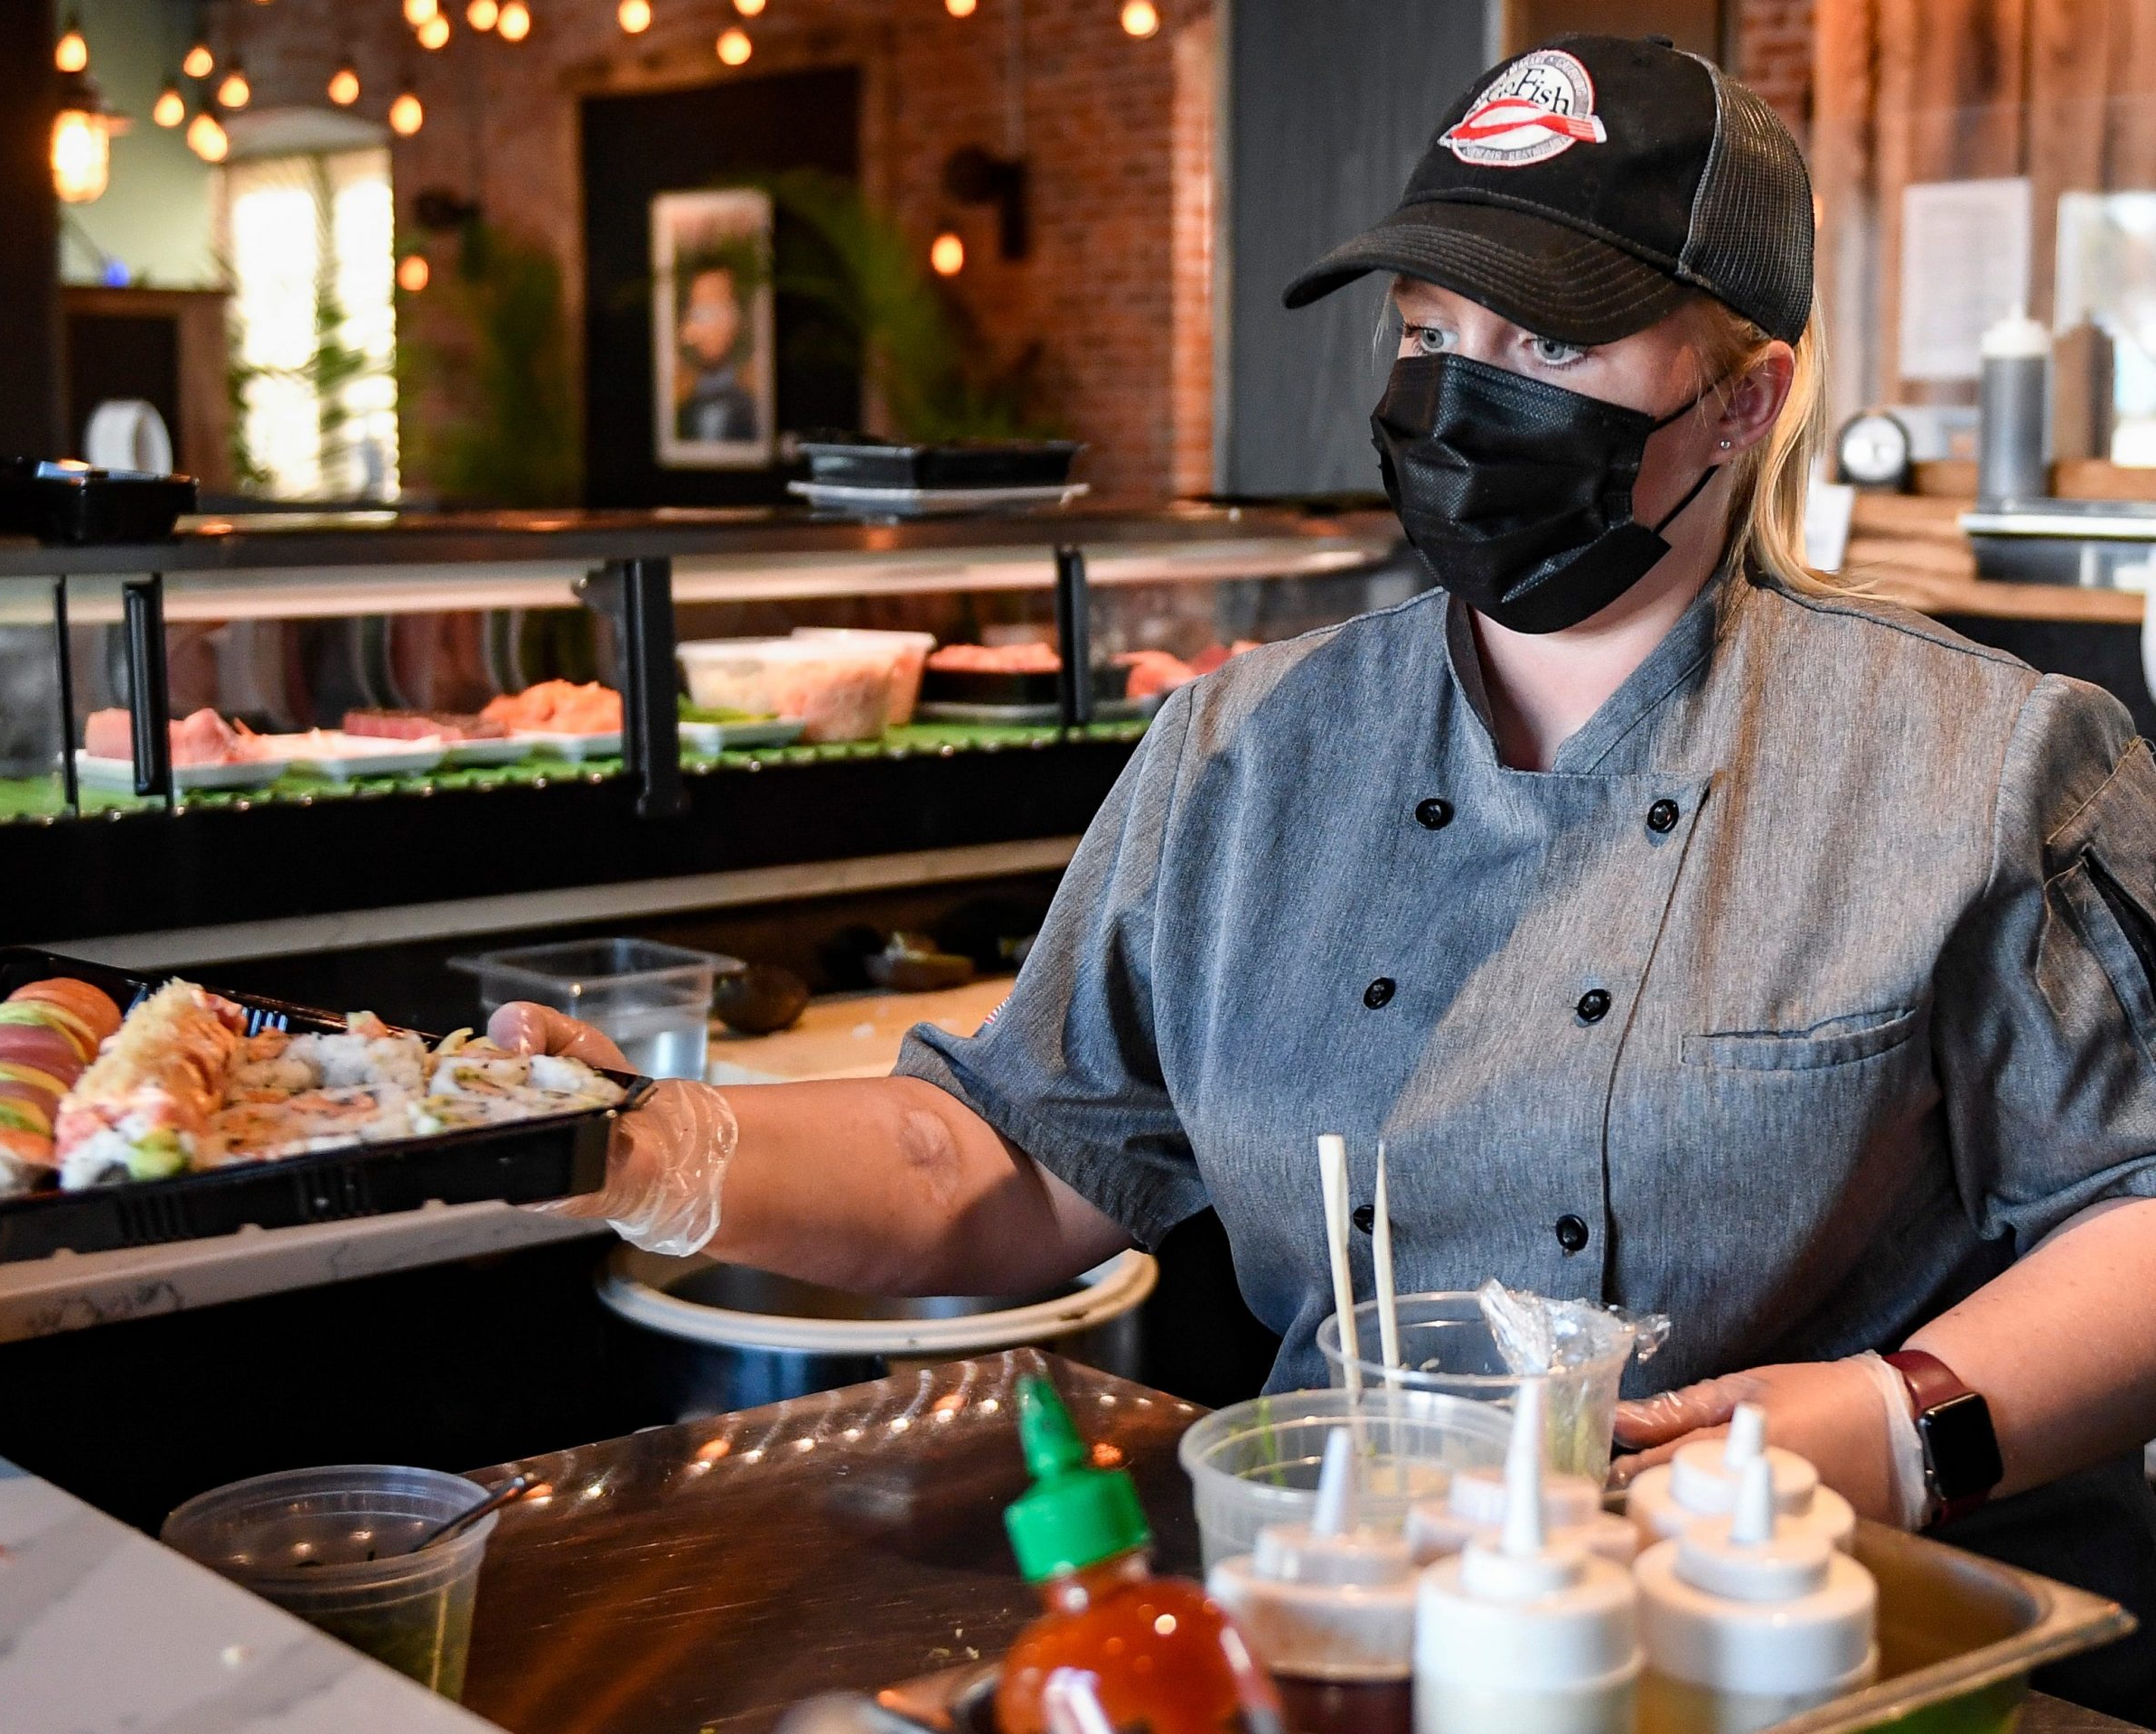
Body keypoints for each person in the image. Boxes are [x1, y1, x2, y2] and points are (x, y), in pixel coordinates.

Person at [502, 37, 2156, 1716]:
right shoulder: (1247, 751)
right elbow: (1000, 1153)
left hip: (1821, 1656)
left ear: (1748, 396)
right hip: (1363, 1636)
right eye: (1431, 331)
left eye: (1551, 338)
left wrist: (1899, 1421)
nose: (1460, 390)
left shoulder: (1983, 764)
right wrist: (641, 1135)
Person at [673, 264, 760, 445]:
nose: (712, 327)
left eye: (721, 310)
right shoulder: (675, 396)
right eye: (702, 313)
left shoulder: (756, 391)